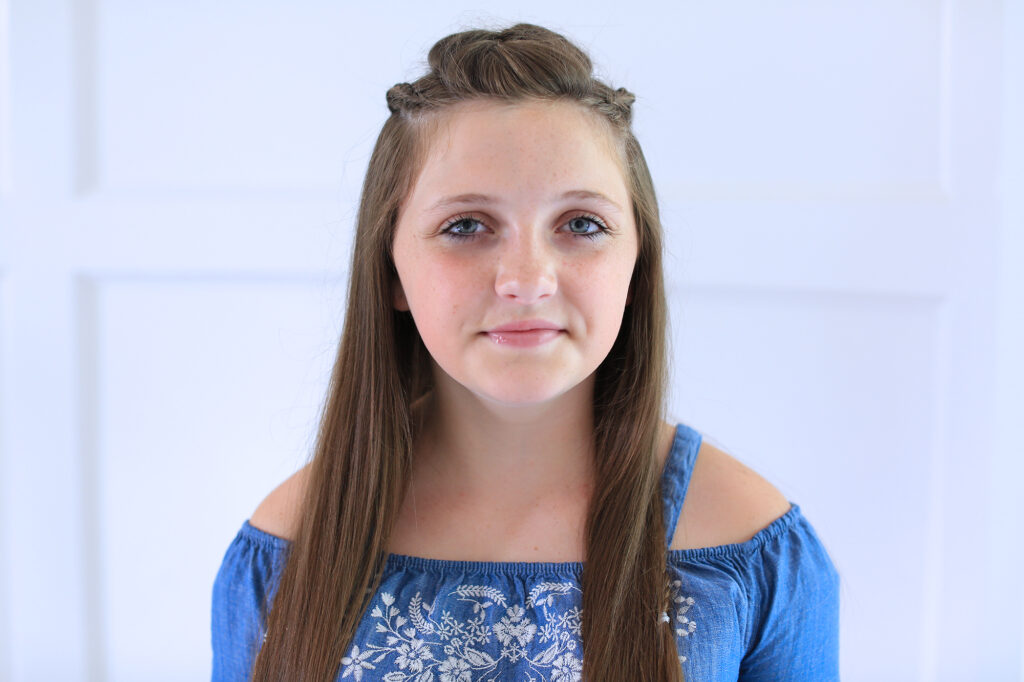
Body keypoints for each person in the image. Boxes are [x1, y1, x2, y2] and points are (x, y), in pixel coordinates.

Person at [211, 22, 840, 682]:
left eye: (581, 224)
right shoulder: (286, 552)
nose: (528, 280)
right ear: (391, 270)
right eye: (466, 226)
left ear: (637, 263)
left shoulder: (753, 552)